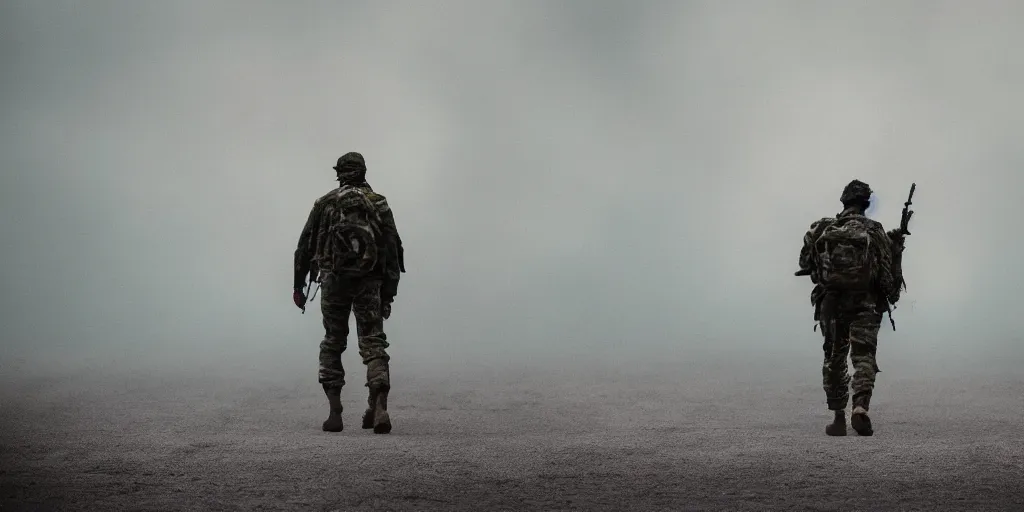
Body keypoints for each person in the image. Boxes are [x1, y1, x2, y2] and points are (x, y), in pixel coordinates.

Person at [292, 152, 405, 434]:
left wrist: (298, 285)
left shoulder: (325, 202)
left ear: (339, 173)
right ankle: (378, 406)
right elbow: (393, 249)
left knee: (333, 341)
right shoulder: (378, 202)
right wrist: (389, 292)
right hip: (370, 281)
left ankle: (335, 413)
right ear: (364, 171)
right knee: (373, 342)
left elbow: (304, 247)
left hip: (333, 281)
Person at [796, 179, 903, 436]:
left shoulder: (822, 228)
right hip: (866, 304)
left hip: (831, 304)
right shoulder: (875, 232)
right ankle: (860, 408)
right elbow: (891, 288)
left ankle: (838, 419)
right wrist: (896, 251)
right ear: (867, 204)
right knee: (864, 356)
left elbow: (804, 263)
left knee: (834, 358)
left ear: (843, 200)